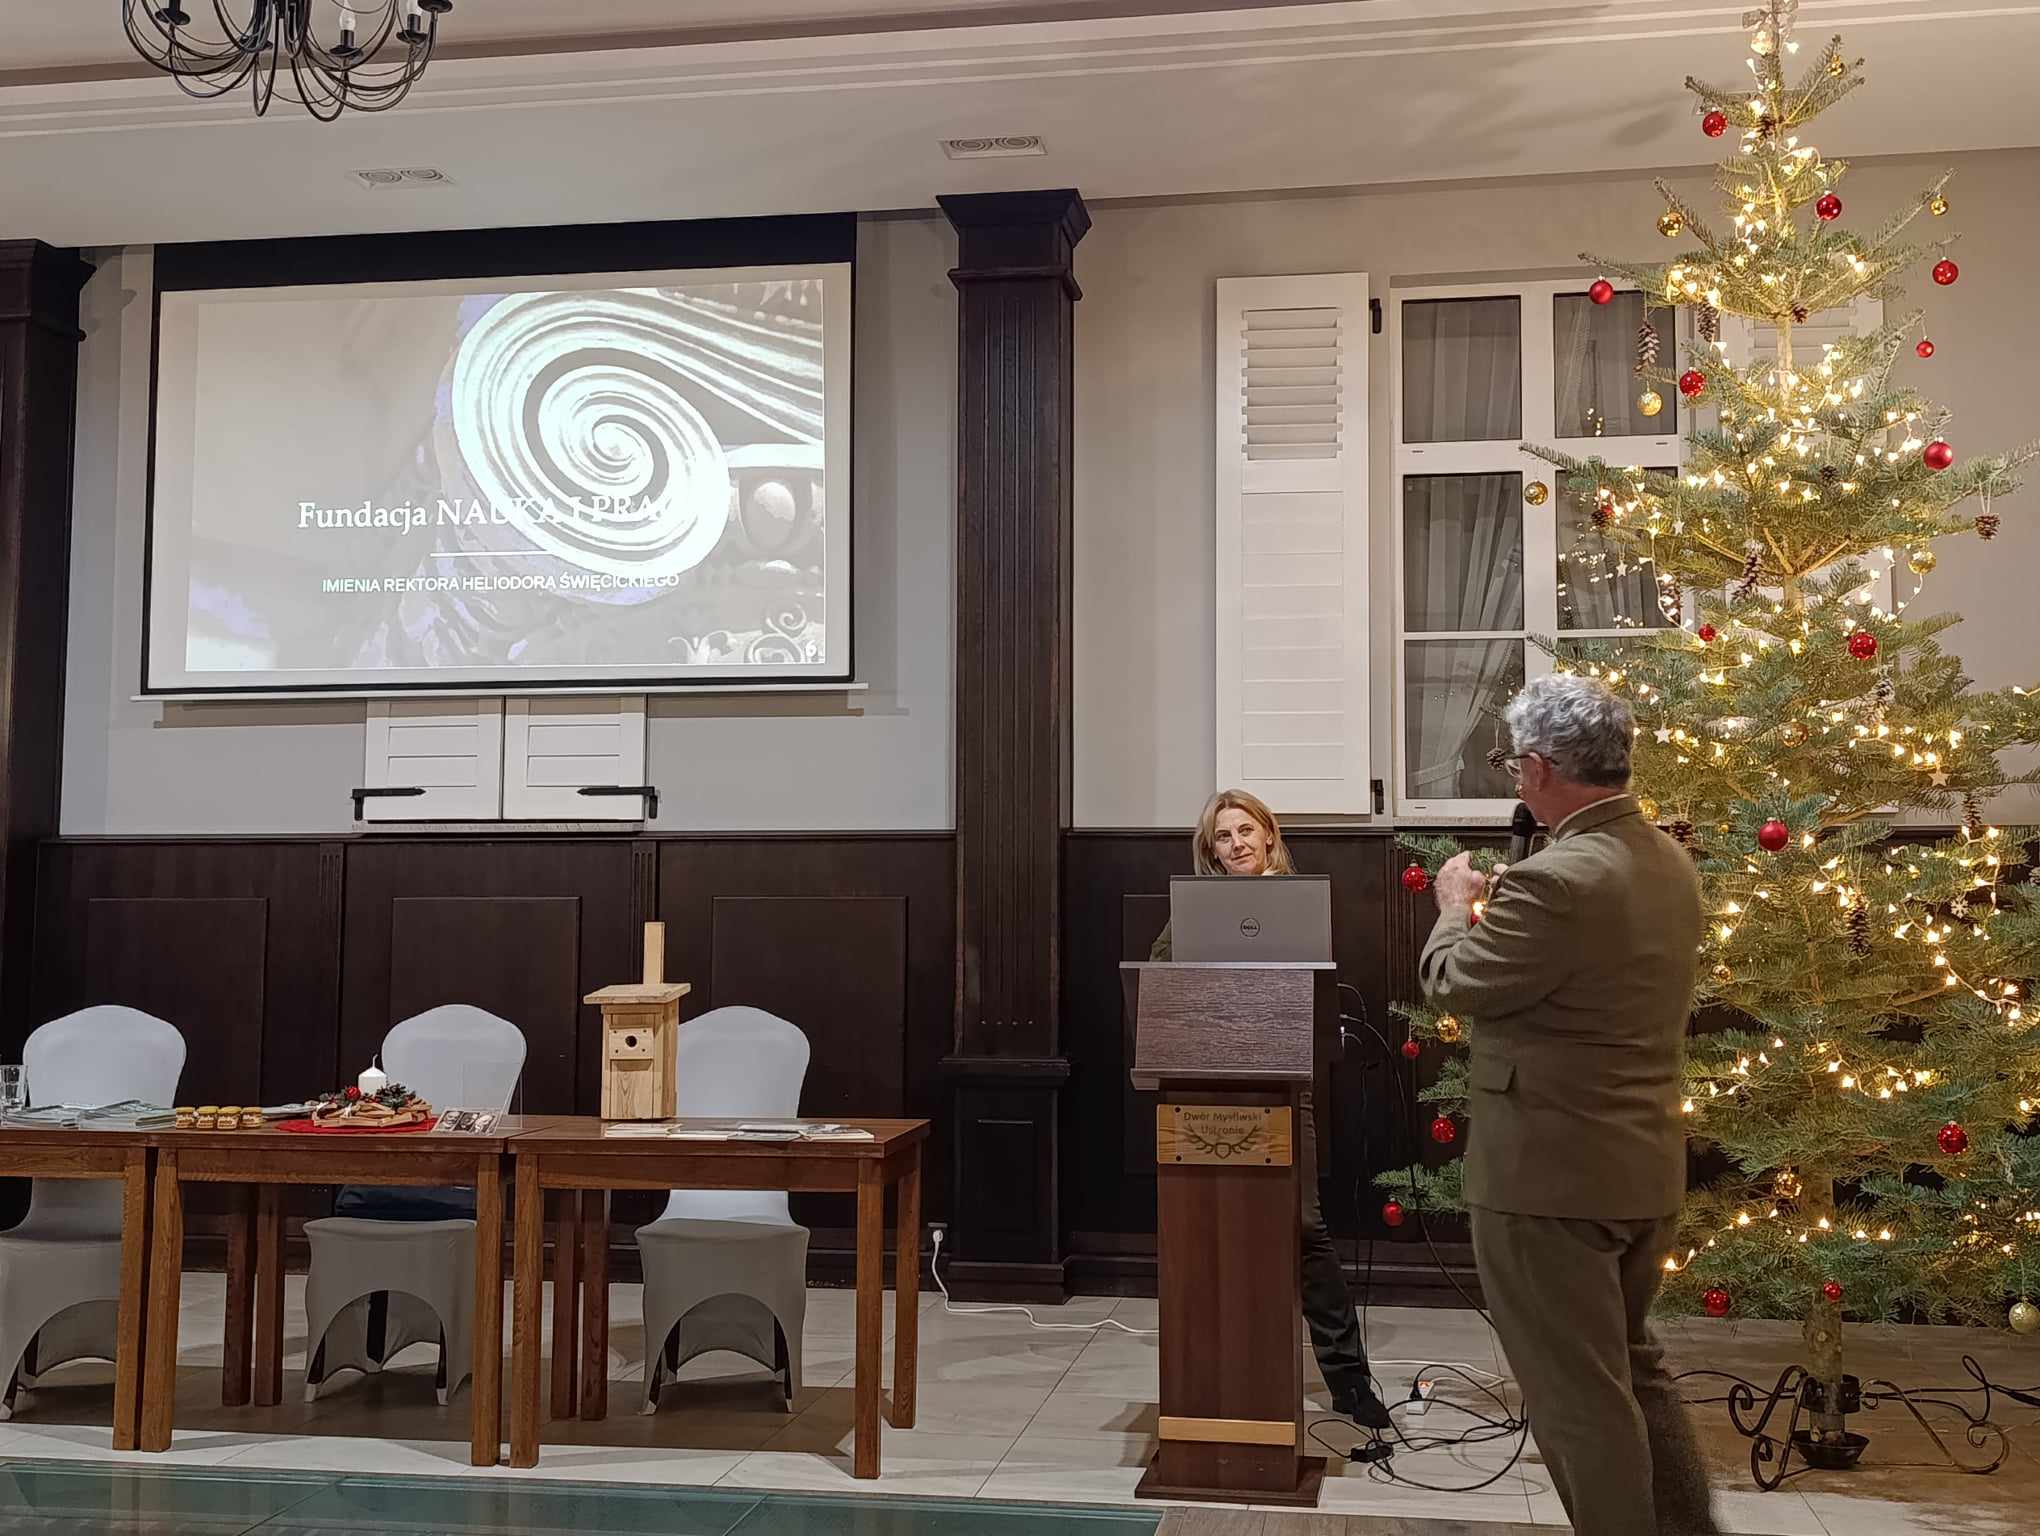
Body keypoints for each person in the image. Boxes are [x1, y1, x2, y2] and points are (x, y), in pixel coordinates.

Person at [1421, 674, 1719, 1536]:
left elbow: (1455, 983)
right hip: (1640, 1166)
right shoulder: (1666, 860)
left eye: (1514, 764)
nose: (1515, 778)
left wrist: (1454, 909)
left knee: (1578, 1401)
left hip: (1549, 1181)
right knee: (1632, 1371)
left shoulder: (1555, 880)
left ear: (1541, 768)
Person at [1153, 788, 1394, 1430]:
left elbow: (1314, 983)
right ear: (1212, 851)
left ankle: (1349, 1381)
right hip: (1213, 1086)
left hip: (1287, 1080)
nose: (1235, 844)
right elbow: (1158, 971)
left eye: (1244, 831)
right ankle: (1224, 1382)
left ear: (1268, 835)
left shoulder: (1297, 899)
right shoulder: (1196, 907)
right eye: (1222, 836)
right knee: (1217, 1228)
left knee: (1305, 1226)